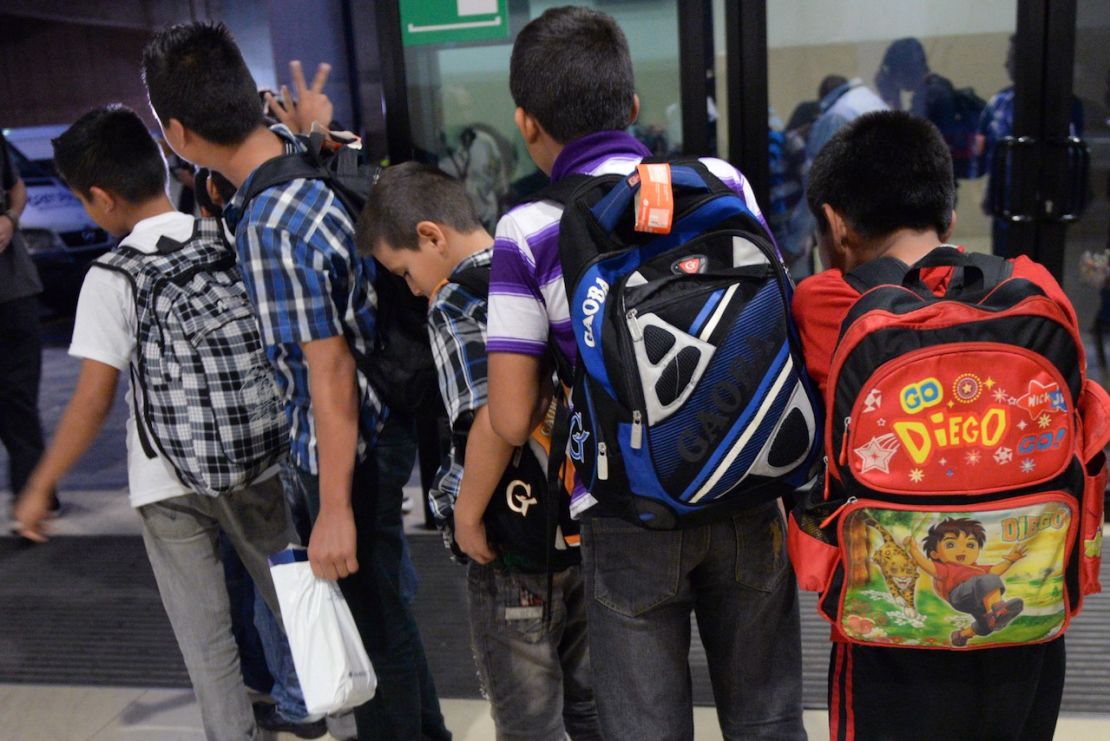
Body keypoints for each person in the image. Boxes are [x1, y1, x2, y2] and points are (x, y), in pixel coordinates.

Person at [484, 7, 804, 740]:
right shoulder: (718, 179)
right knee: (768, 720)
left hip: (629, 513)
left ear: (526, 123)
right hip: (748, 485)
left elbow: (508, 417)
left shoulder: (527, 230)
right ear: (630, 106)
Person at [141, 24, 449, 740]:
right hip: (385, 422)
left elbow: (328, 374)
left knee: (375, 632)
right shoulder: (303, 157)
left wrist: (333, 504)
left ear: (180, 132)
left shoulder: (271, 222)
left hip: (350, 446)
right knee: (387, 617)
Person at [11, 105, 308, 741]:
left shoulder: (110, 276)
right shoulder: (223, 236)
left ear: (99, 197)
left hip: (166, 485)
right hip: (253, 461)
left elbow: (92, 401)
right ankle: (342, 714)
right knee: (299, 610)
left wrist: (40, 486)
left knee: (208, 644)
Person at [792, 109, 1073, 740]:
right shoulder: (1036, 292)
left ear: (836, 223)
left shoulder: (825, 305)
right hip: (1030, 632)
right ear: (949, 213)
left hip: (892, 630)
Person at [360, 162, 600, 741]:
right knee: (589, 706)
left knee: (528, 723)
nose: (413, 287)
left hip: (511, 543)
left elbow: (493, 420)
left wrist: (465, 517)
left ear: (431, 236)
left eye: (405, 271)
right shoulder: (542, 262)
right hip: (580, 525)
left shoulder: (456, 300)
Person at [977, 34, 1085, 257]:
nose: (1006, 63)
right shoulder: (998, 104)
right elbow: (986, 155)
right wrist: (990, 197)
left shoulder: (1067, 105)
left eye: (1013, 57)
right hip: (1006, 210)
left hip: (1051, 210)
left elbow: (1075, 160)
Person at [0, 128, 56, 518]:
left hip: (13, 287)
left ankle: (34, 495)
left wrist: (9, 218)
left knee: (19, 396)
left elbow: (17, 189)